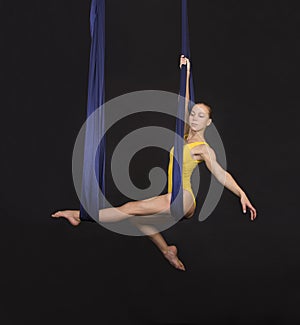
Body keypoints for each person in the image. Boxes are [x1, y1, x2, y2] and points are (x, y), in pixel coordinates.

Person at [51, 55, 257, 271]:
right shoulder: (185, 135)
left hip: (184, 198)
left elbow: (220, 173)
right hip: (174, 196)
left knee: (130, 208)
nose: (195, 118)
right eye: (194, 114)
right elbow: (182, 103)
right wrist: (186, 74)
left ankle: (79, 215)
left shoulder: (203, 148)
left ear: (209, 122)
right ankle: (167, 250)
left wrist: (241, 193)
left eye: (201, 116)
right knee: (137, 220)